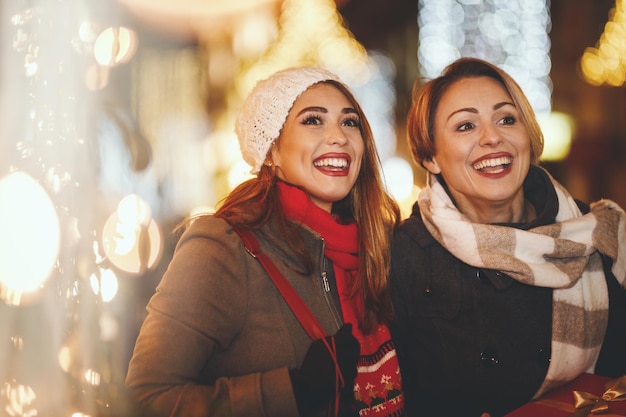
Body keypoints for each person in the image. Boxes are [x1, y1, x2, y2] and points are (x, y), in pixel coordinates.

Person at [126, 66, 405, 417]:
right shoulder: (222, 247)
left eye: (350, 122)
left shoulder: (375, 249)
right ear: (272, 150)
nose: (339, 137)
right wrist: (290, 391)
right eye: (313, 121)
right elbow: (146, 400)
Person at [390, 57, 626, 417]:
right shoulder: (403, 255)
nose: (492, 137)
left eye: (506, 119)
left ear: (527, 135)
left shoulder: (599, 231)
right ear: (430, 156)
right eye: (466, 126)